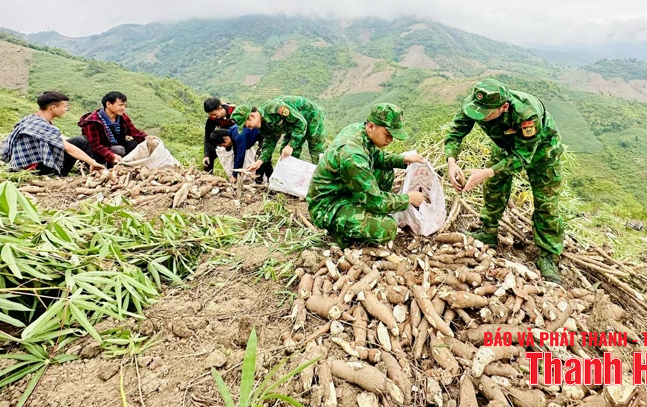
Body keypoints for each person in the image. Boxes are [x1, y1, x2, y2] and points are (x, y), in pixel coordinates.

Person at [444, 79, 566, 284]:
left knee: (546, 202)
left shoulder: (527, 114)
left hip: (541, 151)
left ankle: (548, 256)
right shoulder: (474, 104)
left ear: (504, 107)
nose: (479, 116)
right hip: (504, 146)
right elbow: (456, 132)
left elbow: (522, 157)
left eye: (486, 114)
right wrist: (451, 162)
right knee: (493, 187)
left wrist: (487, 171)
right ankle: (488, 231)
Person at [307, 104, 425, 247]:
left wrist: (401, 160)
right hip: (328, 206)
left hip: (344, 190)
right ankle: (340, 233)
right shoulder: (353, 157)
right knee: (387, 228)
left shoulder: (359, 130)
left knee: (385, 171)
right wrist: (408, 198)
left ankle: (366, 214)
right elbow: (375, 200)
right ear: (371, 127)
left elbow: (375, 157)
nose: (390, 141)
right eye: (387, 135)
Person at [0, 91, 104, 176]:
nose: (66, 109)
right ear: (53, 108)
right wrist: (92, 162)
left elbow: (59, 138)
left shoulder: (33, 119)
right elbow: (68, 147)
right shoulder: (41, 126)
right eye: (64, 106)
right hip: (33, 169)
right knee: (80, 141)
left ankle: (92, 168)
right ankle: (89, 170)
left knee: (82, 139)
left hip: (31, 162)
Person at [231, 95, 327, 173]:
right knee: (286, 155)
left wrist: (291, 145)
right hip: (293, 126)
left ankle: (322, 184)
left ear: (251, 116)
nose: (250, 128)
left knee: (316, 152)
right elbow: (269, 143)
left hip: (311, 117)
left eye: (247, 125)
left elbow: (301, 123)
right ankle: (291, 185)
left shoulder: (276, 108)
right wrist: (259, 162)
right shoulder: (262, 126)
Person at [79, 91, 154, 167]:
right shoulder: (93, 121)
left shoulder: (122, 117)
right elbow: (95, 146)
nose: (123, 108)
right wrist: (111, 155)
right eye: (120, 105)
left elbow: (133, 131)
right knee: (119, 149)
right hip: (99, 153)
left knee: (136, 143)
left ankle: (126, 164)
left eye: (124, 105)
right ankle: (111, 168)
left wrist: (146, 138)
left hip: (118, 146)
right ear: (108, 104)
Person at [209, 127, 273, 184]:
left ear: (226, 139)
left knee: (263, 160)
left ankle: (267, 182)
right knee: (262, 161)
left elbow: (240, 156)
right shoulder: (231, 133)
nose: (224, 147)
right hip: (260, 137)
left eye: (222, 145)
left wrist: (234, 176)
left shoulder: (238, 136)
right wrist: (235, 173)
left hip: (266, 138)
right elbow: (236, 155)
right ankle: (264, 181)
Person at [202, 97, 236, 173]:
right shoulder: (212, 119)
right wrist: (206, 155)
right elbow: (207, 137)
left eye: (214, 114)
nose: (213, 116)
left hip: (236, 139)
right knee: (210, 153)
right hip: (223, 141)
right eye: (211, 114)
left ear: (220, 108)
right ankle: (208, 175)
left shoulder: (234, 112)